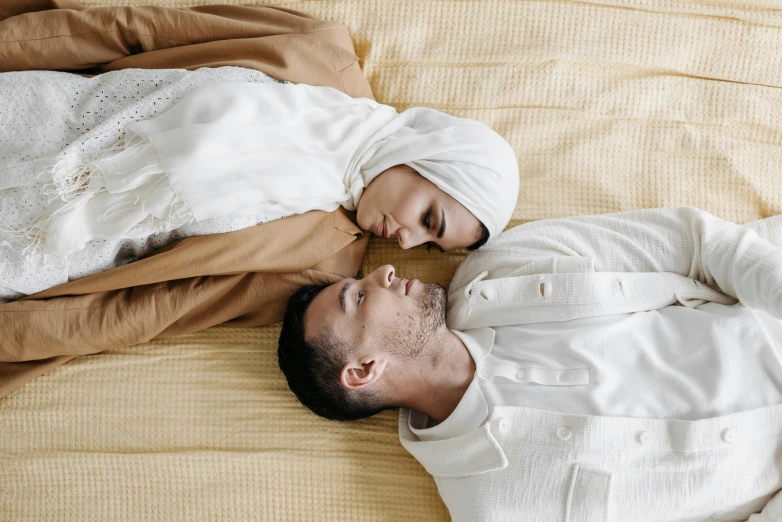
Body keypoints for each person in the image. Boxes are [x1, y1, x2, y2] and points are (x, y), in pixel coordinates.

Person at [278, 206, 782, 521]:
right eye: (359, 298)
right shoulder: (490, 505)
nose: (385, 270)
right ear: (363, 371)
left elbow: (698, 242)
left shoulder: (506, 265)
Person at [0, 69, 519, 302]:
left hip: (45, 245)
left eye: (428, 244)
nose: (407, 241)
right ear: (422, 155)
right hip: (43, 122)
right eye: (429, 219)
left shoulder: (325, 253)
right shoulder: (305, 81)